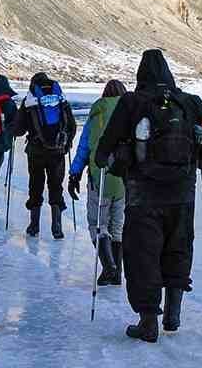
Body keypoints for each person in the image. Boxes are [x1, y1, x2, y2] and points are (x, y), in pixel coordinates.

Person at [95, 49, 202, 343]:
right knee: (178, 248)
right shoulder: (190, 102)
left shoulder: (132, 102)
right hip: (182, 194)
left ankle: (148, 320)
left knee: (143, 256)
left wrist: (108, 161)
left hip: (143, 195)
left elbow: (105, 148)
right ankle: (173, 314)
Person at [69, 80, 128, 286]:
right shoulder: (130, 111)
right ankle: (116, 272)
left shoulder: (97, 113)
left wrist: (74, 174)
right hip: (124, 179)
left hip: (100, 176)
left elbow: (84, 147)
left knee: (98, 225)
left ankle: (109, 267)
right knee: (117, 226)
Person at [13, 73, 76, 239]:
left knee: (36, 185)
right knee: (56, 186)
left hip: (36, 152)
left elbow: (18, 129)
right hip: (57, 152)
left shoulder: (31, 100)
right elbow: (72, 125)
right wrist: (66, 143)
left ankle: (34, 226)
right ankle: (57, 227)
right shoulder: (60, 99)